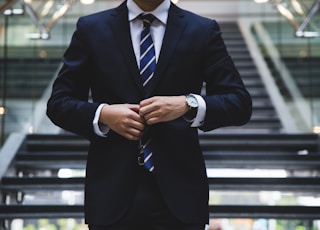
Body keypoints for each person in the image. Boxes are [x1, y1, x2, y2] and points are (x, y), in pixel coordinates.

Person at [46, 0, 252, 229]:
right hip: (111, 194)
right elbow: (59, 103)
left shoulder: (202, 29)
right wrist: (103, 114)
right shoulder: (91, 28)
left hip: (181, 195)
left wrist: (188, 104)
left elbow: (239, 103)